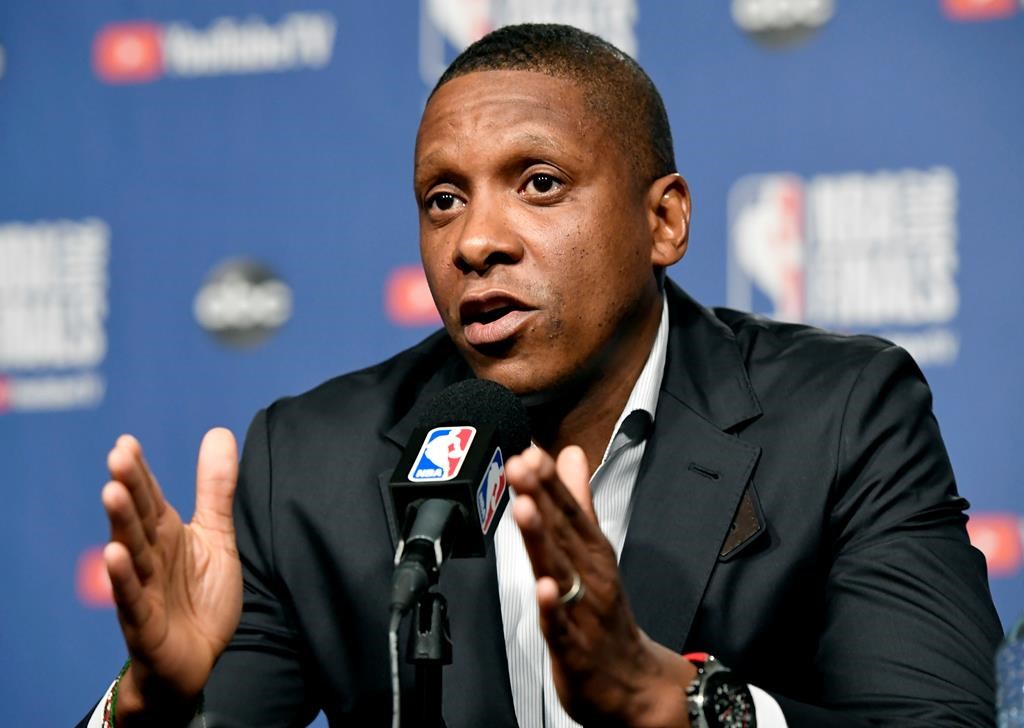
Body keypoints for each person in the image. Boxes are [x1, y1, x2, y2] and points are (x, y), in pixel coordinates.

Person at [81, 23, 1003, 728]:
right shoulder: (309, 467)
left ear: (665, 222)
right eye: (443, 200)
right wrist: (147, 703)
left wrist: (670, 701)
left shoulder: (840, 415)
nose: (476, 241)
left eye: (540, 183)